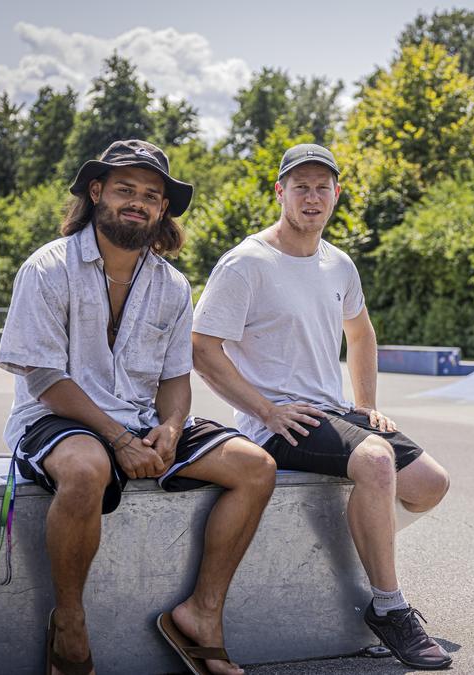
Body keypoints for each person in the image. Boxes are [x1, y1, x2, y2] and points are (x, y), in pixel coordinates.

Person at [0, 139, 274, 675]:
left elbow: (174, 378)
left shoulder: (171, 285)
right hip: (58, 417)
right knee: (86, 468)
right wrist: (117, 439)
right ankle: (70, 623)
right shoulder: (47, 268)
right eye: (126, 189)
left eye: (152, 195)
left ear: (162, 209)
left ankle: (201, 615)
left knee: (256, 467)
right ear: (96, 192)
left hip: (142, 421)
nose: (139, 202)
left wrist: (169, 430)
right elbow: (46, 377)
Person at [190, 143, 453, 670]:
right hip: (280, 422)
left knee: (430, 484)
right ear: (280, 192)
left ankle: (353, 538)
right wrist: (265, 411)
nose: (312, 197)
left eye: (322, 186)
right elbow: (202, 347)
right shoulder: (246, 264)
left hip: (333, 413)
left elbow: (361, 333)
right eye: (301, 186)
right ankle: (389, 606)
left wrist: (369, 404)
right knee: (376, 461)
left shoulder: (339, 263)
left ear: (337, 193)